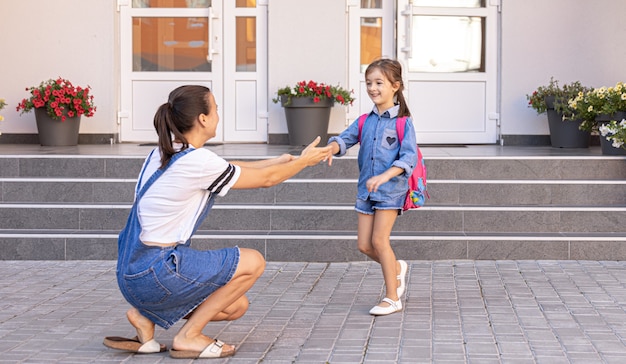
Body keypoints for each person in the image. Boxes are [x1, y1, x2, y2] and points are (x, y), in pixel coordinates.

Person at [103, 85, 332, 359]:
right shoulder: (197, 161)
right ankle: (189, 337)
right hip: (157, 271)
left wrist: (279, 159)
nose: (218, 115)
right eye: (216, 109)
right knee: (253, 261)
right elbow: (267, 181)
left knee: (234, 306)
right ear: (203, 118)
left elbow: (228, 166)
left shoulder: (165, 152)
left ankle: (144, 317)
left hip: (132, 271)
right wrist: (304, 162)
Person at [325, 58, 416, 316]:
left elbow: (408, 158)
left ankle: (392, 297)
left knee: (379, 240)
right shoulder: (365, 120)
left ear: (395, 86)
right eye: (369, 83)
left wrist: (386, 176)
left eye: (379, 83)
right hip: (366, 191)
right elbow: (345, 139)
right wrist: (330, 149)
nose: (373, 88)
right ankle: (396, 268)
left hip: (390, 191)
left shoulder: (403, 122)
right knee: (365, 245)